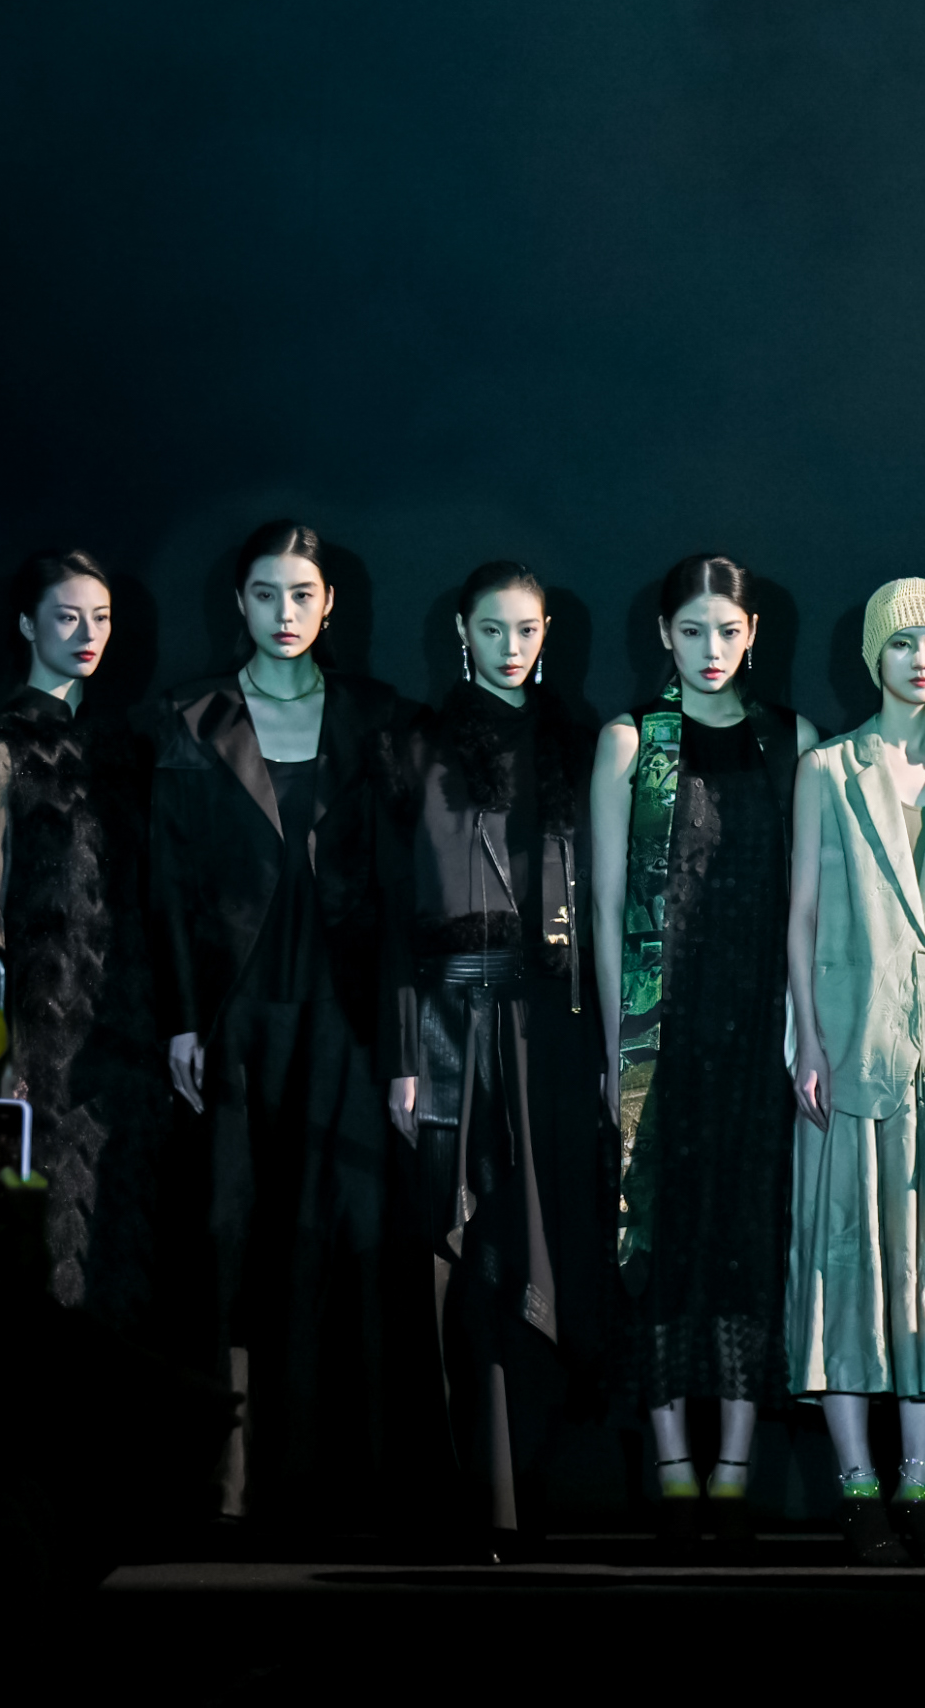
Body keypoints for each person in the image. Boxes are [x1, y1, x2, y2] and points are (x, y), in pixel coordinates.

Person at [144, 518, 396, 1534]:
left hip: (342, 1014)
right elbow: (167, 884)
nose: (284, 613)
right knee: (228, 1233)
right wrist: (181, 1019)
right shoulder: (191, 714)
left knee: (334, 1235)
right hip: (236, 1011)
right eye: (265, 593)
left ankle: (325, 1481)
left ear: (329, 604)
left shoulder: (374, 715)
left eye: (302, 594)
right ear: (238, 602)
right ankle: (226, 1485)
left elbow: (394, 883)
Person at [376, 562, 615, 1553]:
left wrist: (604, 1046)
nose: (511, 647)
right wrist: (404, 1052)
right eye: (492, 629)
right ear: (462, 636)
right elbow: (393, 909)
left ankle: (536, 1490)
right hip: (448, 1021)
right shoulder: (414, 745)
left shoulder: (576, 742)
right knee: (465, 1245)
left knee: (544, 1239)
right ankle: (479, 1493)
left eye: (526, 629)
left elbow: (602, 910)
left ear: (546, 634)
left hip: (551, 1025)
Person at [585, 554, 817, 1551]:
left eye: (728, 631)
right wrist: (617, 1045)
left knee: (748, 1232)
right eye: (693, 631)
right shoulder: (634, 738)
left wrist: (804, 1029)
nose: (712, 649)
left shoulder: (790, 739)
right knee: (660, 1232)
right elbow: (606, 906)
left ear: (753, 632)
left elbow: (807, 906)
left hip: (759, 1024)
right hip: (660, 1030)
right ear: (664, 636)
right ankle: (673, 1459)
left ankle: (736, 1466)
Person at [785, 577, 925, 1567]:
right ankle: (857, 1485)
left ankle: (919, 1484)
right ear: (874, 653)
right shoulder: (829, 769)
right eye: (903, 642)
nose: (921, 659)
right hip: (853, 1048)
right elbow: (801, 916)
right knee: (845, 1267)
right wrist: (807, 1038)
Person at [0, 552, 165, 1337]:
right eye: (68, 615)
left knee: (121, 1245)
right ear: (26, 623)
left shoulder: (122, 750)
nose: (89, 633)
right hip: (37, 1041)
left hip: (123, 1037)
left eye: (102, 617)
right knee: (40, 1253)